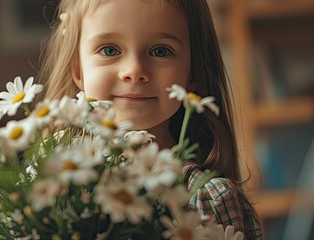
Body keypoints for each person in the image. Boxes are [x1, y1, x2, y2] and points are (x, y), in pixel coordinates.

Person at [37, 0, 263, 239]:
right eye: (110, 50)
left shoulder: (206, 199)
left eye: (160, 51)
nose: (134, 70)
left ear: (192, 72)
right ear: (78, 71)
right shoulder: (58, 190)